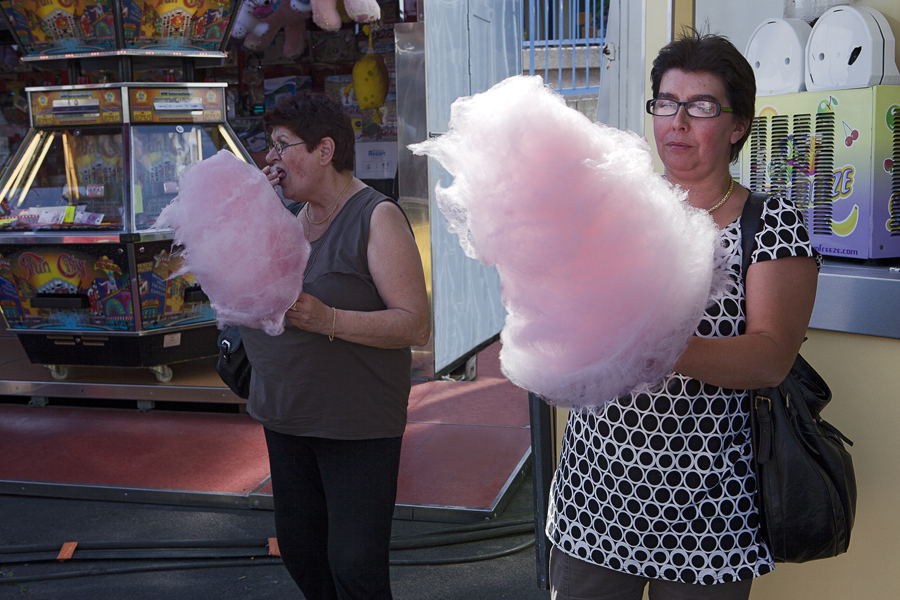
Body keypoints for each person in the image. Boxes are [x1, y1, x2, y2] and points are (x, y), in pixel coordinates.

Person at [546, 31, 820, 599]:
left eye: (701, 108)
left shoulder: (770, 224)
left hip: (707, 508)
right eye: (667, 104)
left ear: (737, 126)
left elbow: (769, 358)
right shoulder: (615, 210)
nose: (678, 123)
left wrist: (653, 344)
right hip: (597, 494)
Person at [240, 91, 430, 600]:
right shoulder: (288, 220)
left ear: (325, 150)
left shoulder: (376, 216)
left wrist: (330, 319)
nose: (271, 159)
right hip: (286, 415)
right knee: (302, 553)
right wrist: (250, 214)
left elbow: (416, 326)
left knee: (354, 566)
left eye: (283, 146)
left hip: (355, 424)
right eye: (271, 147)